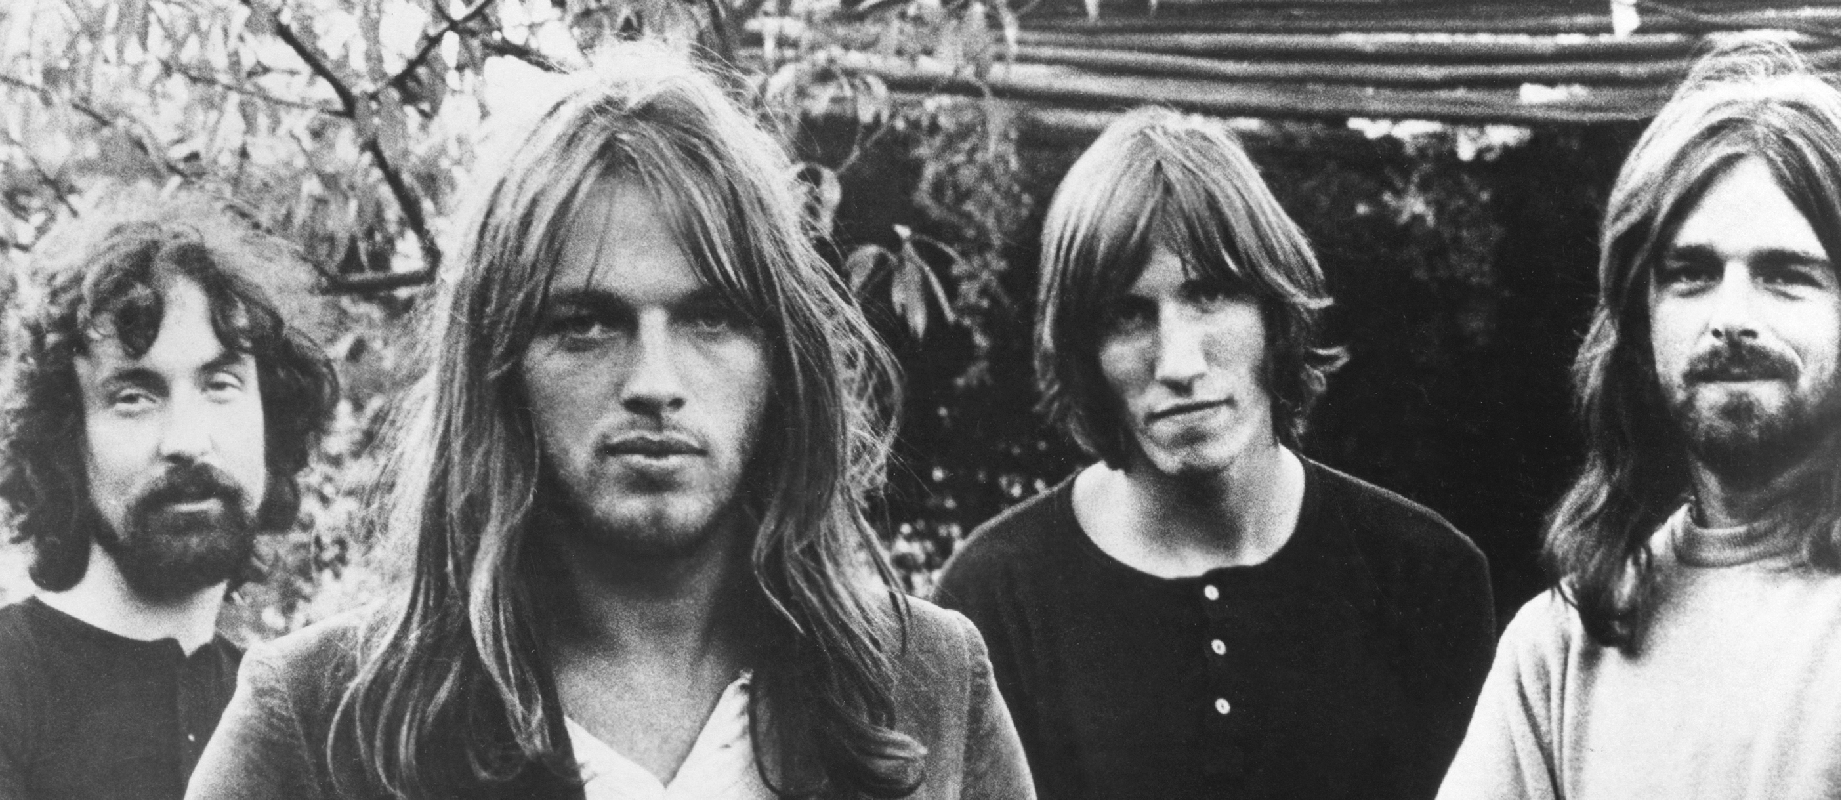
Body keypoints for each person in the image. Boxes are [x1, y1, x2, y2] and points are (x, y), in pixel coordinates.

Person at [187, 47, 1032, 800]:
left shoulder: (926, 686)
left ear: (782, 360)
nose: (655, 384)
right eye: (587, 324)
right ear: (499, 365)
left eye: (710, 318)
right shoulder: (319, 723)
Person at [1438, 38, 1841, 799]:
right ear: (1639, 322)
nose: (1731, 317)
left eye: (1785, 274)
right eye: (1691, 274)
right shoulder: (1562, 643)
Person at [935, 107, 1496, 800]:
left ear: (1273, 312)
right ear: (1085, 352)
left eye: (1210, 294)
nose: (1179, 362)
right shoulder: (993, 600)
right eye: (1127, 315)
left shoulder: (1424, 578)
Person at [0, 192, 340, 800]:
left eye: (221, 384)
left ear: (272, 421)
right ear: (65, 441)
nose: (187, 440)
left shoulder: (304, 720)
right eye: (134, 396)